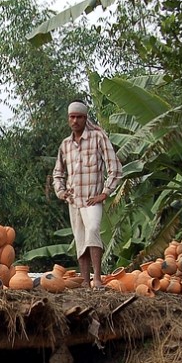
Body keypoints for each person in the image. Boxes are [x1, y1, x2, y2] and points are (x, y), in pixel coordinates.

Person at [52, 100, 123, 289]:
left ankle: (97, 278)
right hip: (74, 200)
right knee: (80, 238)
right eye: (72, 117)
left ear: (85, 118)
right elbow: (57, 173)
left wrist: (105, 193)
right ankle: (85, 281)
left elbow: (115, 168)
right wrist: (61, 192)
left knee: (93, 230)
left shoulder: (98, 138)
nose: (75, 121)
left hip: (92, 199)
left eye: (79, 117)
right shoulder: (65, 145)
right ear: (68, 119)